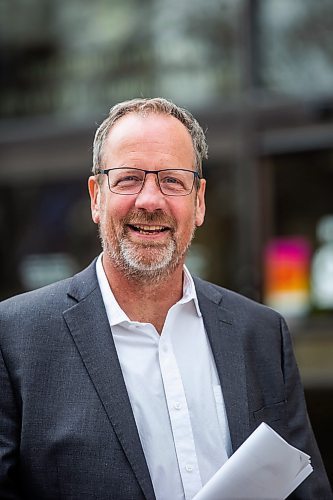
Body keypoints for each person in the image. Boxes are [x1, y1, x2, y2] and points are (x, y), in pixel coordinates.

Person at [0, 97, 331, 500]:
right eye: (129, 179)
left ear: (199, 200)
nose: (151, 201)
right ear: (96, 197)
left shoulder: (261, 334)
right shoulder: (15, 338)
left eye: (173, 180)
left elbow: (305, 491)